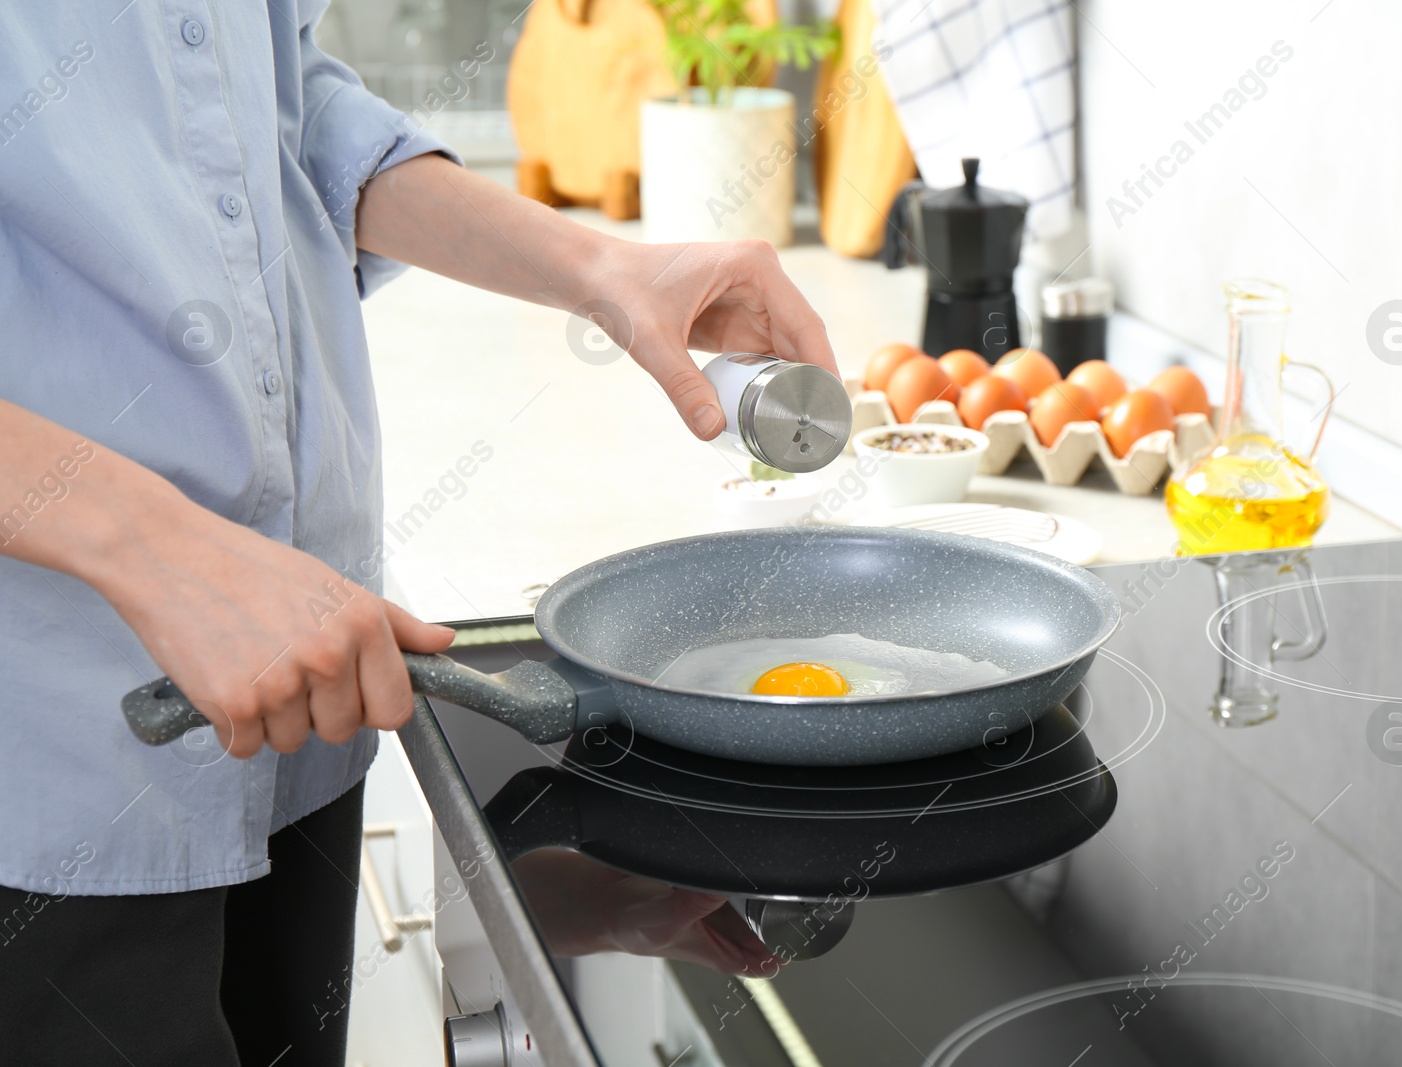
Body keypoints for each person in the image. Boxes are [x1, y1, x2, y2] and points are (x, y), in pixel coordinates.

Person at [0, 5, 828, 1063]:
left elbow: (283, 112)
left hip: (300, 693)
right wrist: (157, 546)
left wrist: (599, 271)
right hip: (55, 761)